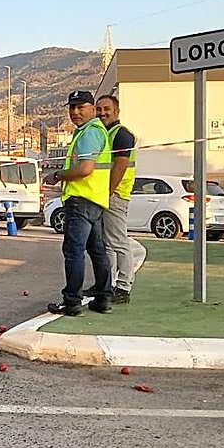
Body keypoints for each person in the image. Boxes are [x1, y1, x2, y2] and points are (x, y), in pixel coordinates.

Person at [43, 90, 113, 315]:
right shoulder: (93, 132)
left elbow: (85, 169)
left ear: (92, 108)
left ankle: (72, 301)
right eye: (72, 107)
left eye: (81, 107)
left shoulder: (89, 134)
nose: (75, 112)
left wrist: (58, 175)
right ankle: (103, 298)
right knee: (97, 250)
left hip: (82, 200)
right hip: (95, 200)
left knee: (74, 251)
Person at [94, 94, 147, 303]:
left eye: (106, 109)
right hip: (104, 193)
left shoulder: (122, 134)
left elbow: (120, 165)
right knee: (107, 243)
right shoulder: (104, 133)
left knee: (118, 241)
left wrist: (109, 191)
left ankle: (124, 287)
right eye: (99, 109)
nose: (102, 113)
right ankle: (106, 284)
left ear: (116, 111)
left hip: (115, 194)